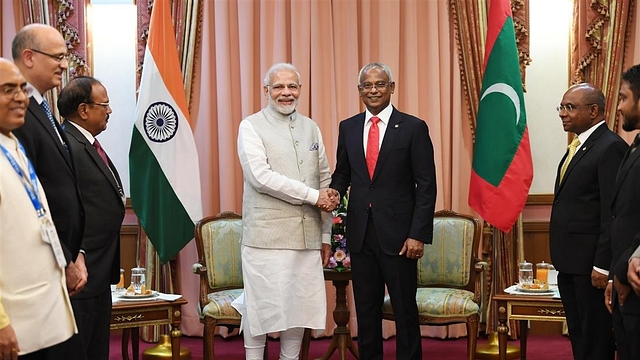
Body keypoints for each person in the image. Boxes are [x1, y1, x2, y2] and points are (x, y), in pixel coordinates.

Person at [330, 62, 437, 360]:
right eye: (367, 85)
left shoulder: (414, 127)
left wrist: (417, 235)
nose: (373, 90)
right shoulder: (348, 127)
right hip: (361, 236)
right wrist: (334, 190)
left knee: (404, 311)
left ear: (391, 87)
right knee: (365, 313)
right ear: (359, 90)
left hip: (401, 239)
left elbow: (426, 186)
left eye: (379, 84)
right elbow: (343, 174)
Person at [235, 63, 334, 359]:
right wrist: (314, 196)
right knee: (260, 308)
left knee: (298, 309)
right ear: (266, 91)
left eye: (292, 87)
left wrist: (326, 234)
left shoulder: (310, 127)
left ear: (300, 90)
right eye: (278, 87)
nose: (286, 93)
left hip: (306, 238)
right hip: (265, 238)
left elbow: (324, 179)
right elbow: (261, 178)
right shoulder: (250, 126)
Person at [0, 58, 76, 360]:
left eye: (22, 88)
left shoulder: (12, 143)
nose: (21, 97)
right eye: (8, 90)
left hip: (40, 318)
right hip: (13, 324)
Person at [548, 83, 625, 360]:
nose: (562, 114)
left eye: (570, 107)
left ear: (593, 111)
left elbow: (611, 212)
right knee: (580, 336)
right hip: (570, 262)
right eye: (561, 107)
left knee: (595, 339)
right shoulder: (579, 145)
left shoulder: (610, 147)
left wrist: (602, 265)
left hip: (590, 265)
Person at [11, 24, 87, 298]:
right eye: (57, 57)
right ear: (29, 57)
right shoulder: (17, 114)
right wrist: (63, 259)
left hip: (62, 257)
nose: (65, 65)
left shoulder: (43, 109)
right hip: (38, 263)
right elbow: (29, 196)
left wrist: (77, 252)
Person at [57, 76, 125, 360]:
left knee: (97, 348)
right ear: (83, 110)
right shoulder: (67, 145)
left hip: (99, 267)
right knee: (82, 349)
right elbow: (67, 207)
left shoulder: (86, 142)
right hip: (83, 268)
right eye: (105, 105)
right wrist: (78, 254)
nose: (109, 111)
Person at [606, 63, 640, 360]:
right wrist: (613, 277)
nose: (618, 107)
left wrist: (622, 272)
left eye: (624, 98)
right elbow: (622, 215)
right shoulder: (634, 145)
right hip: (622, 278)